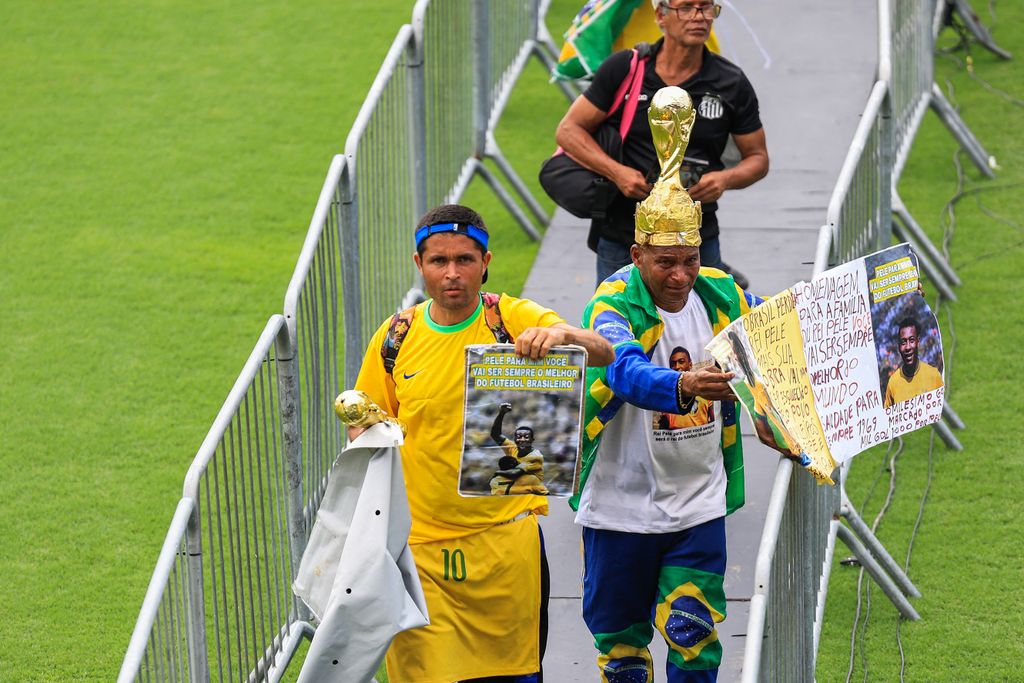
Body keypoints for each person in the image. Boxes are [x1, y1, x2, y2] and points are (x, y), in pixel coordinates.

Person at [569, 83, 787, 677]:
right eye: (666, 261)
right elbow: (623, 370)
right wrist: (685, 387)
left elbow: (778, 338)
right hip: (619, 510)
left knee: (694, 638)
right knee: (622, 654)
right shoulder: (611, 303)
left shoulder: (719, 290)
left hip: (697, 506)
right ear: (636, 254)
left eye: (689, 258)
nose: (680, 274)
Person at [349, 204, 613, 683]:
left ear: (486, 261)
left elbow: (602, 350)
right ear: (419, 264)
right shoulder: (395, 336)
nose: (453, 274)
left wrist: (559, 333)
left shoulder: (510, 319)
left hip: (504, 550)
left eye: (465, 260)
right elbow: (367, 424)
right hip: (419, 554)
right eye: (439, 261)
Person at [555, 0, 768, 286]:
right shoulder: (625, 69)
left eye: (706, 7)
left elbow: (758, 158)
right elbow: (569, 130)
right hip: (624, 235)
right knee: (616, 327)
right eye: (686, 8)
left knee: (707, 328)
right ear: (660, 15)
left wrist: (725, 179)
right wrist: (616, 172)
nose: (698, 17)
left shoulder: (730, 82)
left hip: (696, 240)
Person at [883, 317, 944, 407]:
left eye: (911, 340)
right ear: (899, 346)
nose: (907, 347)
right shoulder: (893, 382)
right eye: (903, 342)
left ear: (918, 342)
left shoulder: (933, 375)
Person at [654, 347, 715, 430]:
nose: (677, 366)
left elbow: (712, 420)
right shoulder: (666, 394)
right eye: (673, 364)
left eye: (681, 362)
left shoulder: (703, 388)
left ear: (690, 365)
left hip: (701, 440)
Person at [491, 402, 547, 489]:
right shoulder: (512, 448)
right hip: (516, 487)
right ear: (515, 439)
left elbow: (514, 474)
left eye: (526, 437)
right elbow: (495, 434)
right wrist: (501, 413)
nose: (522, 440)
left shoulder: (535, 457)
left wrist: (498, 472)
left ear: (532, 440)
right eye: (519, 437)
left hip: (533, 492)